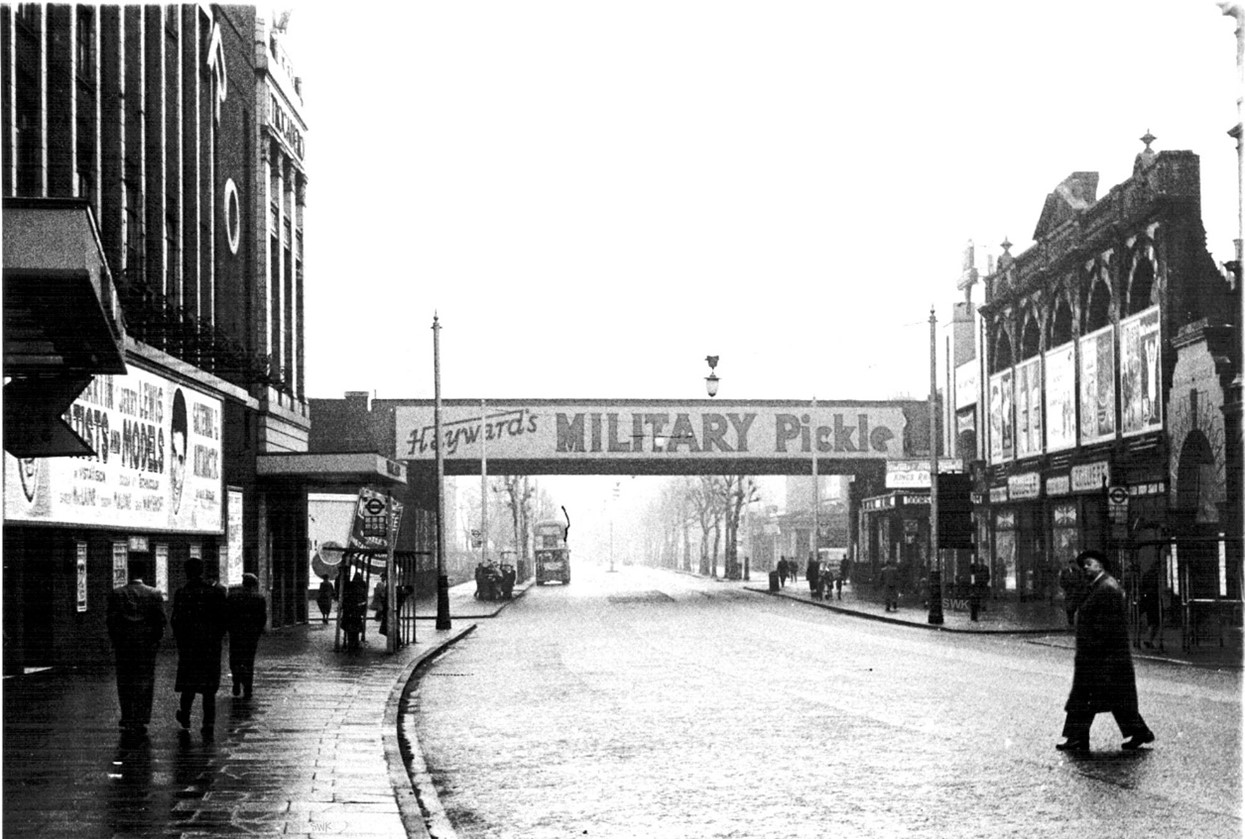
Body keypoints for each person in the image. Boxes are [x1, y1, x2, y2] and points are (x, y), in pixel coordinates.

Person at [1057, 550, 1156, 753]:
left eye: (1089, 564)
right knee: (1113, 700)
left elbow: (1109, 625)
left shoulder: (1107, 588)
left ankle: (1076, 738)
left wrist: (1095, 648)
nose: (1085, 567)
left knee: (1087, 697)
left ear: (1100, 565)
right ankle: (1139, 733)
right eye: (1084, 564)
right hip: (1102, 656)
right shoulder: (1097, 586)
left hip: (1103, 656)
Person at [171, 557, 228, 738]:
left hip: (189, 647)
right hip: (210, 647)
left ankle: (186, 716)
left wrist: (181, 640)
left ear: (186, 572)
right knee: (209, 689)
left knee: (189, 685)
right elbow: (223, 620)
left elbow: (176, 620)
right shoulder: (216, 591)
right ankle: (208, 723)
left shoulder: (182, 593)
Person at [106, 567, 167, 737]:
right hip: (146, 646)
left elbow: (111, 620)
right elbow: (161, 620)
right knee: (145, 681)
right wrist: (155, 641)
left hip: (124, 645)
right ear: (143, 575)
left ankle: (127, 716)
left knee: (125, 681)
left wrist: (116, 640)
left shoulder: (117, 593)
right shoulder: (154, 593)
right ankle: (141, 717)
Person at [226, 573, 266, 699]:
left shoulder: (232, 597)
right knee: (249, 660)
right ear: (254, 585)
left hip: (236, 634)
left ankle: (236, 683)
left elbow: (227, 615)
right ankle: (248, 687)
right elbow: (262, 618)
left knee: (235, 659)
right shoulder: (259, 598)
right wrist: (258, 631)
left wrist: (230, 629)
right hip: (251, 635)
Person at [341, 572, 369, 651]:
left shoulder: (350, 587)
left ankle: (351, 643)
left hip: (350, 612)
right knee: (355, 629)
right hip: (356, 613)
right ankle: (355, 643)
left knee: (350, 629)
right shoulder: (361, 587)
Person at [1059, 557, 1087, 626]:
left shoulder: (1079, 572)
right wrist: (1066, 587)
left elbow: (1082, 581)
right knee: (1069, 608)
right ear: (1069, 564)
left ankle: (1075, 622)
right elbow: (1061, 581)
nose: (1072, 565)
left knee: (1075, 607)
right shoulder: (1065, 571)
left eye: (1074, 564)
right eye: (1071, 564)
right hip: (1069, 592)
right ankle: (1070, 622)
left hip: (1076, 593)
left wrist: (1078, 588)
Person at [1139, 565, 1161, 649]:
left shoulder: (1147, 575)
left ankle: (1149, 639)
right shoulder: (1155, 576)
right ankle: (1149, 639)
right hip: (1153, 600)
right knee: (1155, 621)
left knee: (1152, 621)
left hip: (1148, 600)